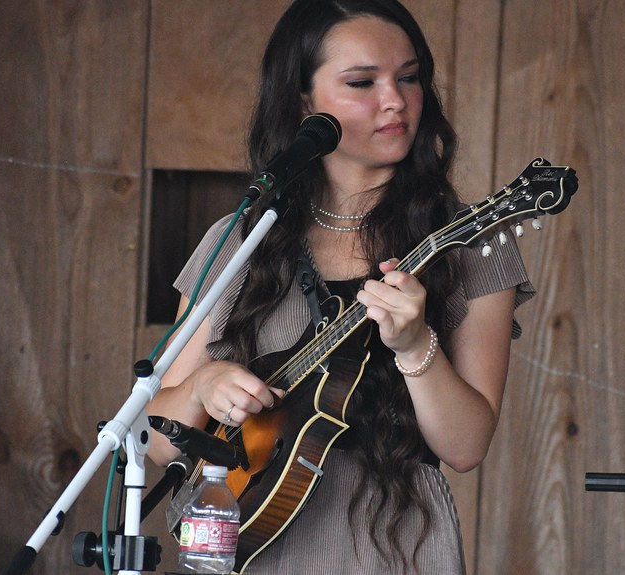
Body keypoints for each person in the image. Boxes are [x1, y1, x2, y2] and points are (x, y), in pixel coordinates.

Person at [147, 0, 535, 572]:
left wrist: (415, 347)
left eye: (409, 77)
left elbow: (467, 447)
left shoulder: (471, 245)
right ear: (304, 102)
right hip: (246, 543)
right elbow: (157, 444)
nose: (396, 101)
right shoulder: (239, 241)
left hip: (397, 546)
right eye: (362, 82)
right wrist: (203, 384)